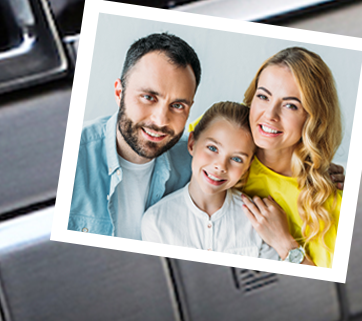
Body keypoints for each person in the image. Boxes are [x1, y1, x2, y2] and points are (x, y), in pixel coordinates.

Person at [67, 33, 200, 238]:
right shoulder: (70, 156)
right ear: (120, 94)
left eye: (177, 105)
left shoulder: (198, 164)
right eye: (148, 97)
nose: (160, 120)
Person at [238, 47, 344, 267]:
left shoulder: (330, 203)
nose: (269, 115)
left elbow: (330, 290)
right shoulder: (213, 140)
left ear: (314, 119)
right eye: (263, 96)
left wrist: (285, 244)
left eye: (290, 105)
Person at [141, 101, 280, 260]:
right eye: (213, 148)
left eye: (236, 158)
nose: (221, 166)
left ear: (248, 165)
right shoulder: (157, 221)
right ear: (192, 143)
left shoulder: (258, 222)